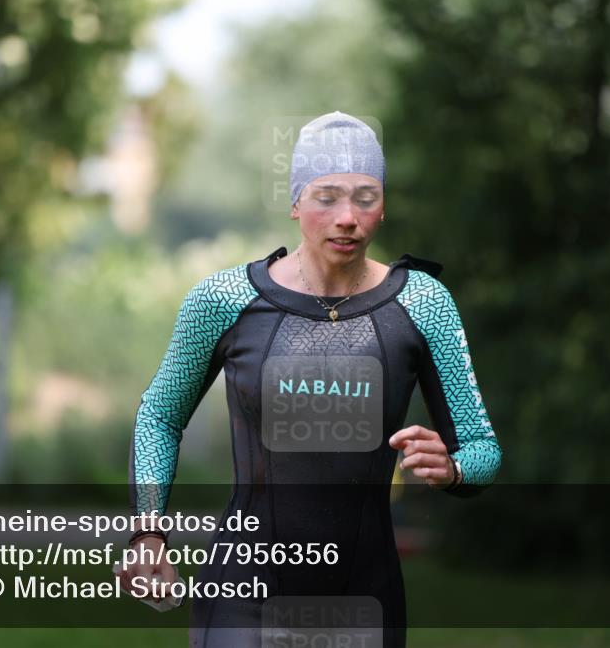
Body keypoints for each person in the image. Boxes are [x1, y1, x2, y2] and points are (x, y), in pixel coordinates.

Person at [116, 111, 502, 647]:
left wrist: (454, 468)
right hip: (242, 599)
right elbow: (160, 415)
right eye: (327, 198)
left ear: (383, 205)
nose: (347, 218)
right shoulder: (223, 300)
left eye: (365, 198)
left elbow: (483, 449)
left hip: (365, 600)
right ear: (295, 203)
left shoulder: (423, 302)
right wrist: (148, 530)